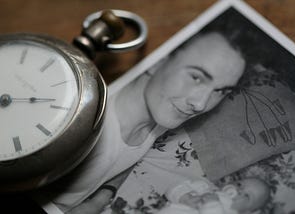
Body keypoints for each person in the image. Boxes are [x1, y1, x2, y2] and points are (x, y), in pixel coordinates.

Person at [45, 31, 246, 213]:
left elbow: (126, 156)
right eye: (196, 77)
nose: (201, 104)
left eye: (221, 91)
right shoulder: (87, 125)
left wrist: (102, 197)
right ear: (158, 61)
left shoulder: (163, 115)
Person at [158, 177, 270, 214]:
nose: (238, 191)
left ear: (247, 211)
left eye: (246, 196)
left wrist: (212, 204)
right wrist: (183, 196)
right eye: (240, 184)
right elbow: (172, 189)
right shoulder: (205, 187)